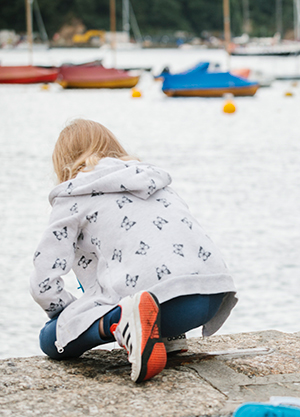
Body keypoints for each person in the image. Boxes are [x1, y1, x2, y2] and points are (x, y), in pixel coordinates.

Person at [31, 119, 237, 383]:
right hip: (212, 296)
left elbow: (43, 283)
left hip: (167, 305)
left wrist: (66, 314)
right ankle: (164, 336)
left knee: (51, 338)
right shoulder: (151, 179)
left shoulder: (72, 196)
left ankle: (122, 321)